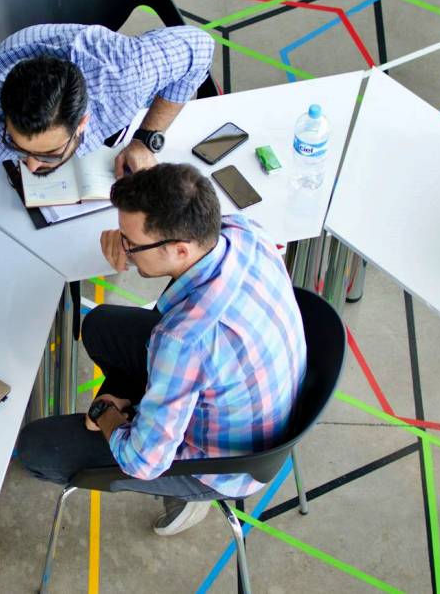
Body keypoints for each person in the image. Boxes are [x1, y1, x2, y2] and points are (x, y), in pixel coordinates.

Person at [0, 23, 216, 372]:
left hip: (99, 64)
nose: (30, 167)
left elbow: (200, 48)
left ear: (83, 124)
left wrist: (147, 137)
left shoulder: (125, 75)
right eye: (18, 149)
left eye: (47, 155)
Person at [16, 163, 307, 536]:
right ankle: (143, 408)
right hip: (258, 399)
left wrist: (106, 412)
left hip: (222, 464)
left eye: (131, 244)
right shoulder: (242, 232)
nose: (125, 249)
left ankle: (187, 497)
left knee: (37, 447)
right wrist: (126, 239)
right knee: (101, 325)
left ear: (180, 249)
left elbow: (142, 461)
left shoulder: (183, 340)